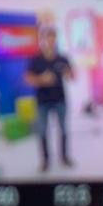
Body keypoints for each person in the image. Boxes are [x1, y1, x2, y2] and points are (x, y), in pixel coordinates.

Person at [24, 26, 76, 172]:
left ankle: (64, 157)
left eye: (53, 38)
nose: (50, 41)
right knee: (42, 131)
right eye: (48, 38)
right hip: (42, 101)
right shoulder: (35, 59)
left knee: (63, 129)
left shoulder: (62, 58)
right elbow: (27, 79)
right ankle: (45, 161)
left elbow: (72, 77)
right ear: (42, 40)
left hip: (60, 100)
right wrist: (42, 79)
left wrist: (69, 72)